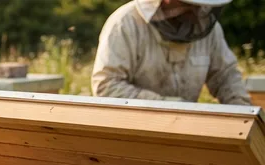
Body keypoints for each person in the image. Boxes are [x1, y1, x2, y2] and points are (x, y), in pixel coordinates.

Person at [92, 0, 251, 105]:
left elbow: (225, 76)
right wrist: (168, 106)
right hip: (133, 135)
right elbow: (107, 86)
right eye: (188, 4)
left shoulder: (208, 28)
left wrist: (243, 111)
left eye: (198, 5)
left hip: (185, 134)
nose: (196, 11)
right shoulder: (125, 24)